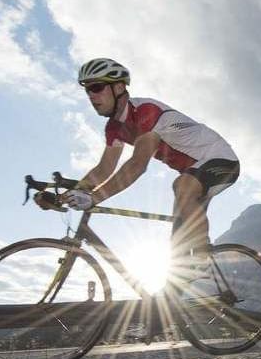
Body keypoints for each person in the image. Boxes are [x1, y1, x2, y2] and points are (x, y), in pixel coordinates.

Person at [53, 58, 240, 291]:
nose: (91, 96)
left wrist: (94, 198)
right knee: (177, 256)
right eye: (87, 90)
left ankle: (202, 260)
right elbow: (104, 168)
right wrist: (65, 195)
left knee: (181, 186)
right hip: (193, 174)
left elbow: (137, 165)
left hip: (222, 161)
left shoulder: (146, 112)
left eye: (96, 87)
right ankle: (172, 311)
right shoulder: (114, 128)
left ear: (119, 88)